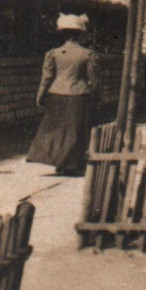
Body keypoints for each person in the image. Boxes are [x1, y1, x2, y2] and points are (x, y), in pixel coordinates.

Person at [28, 14, 98, 176]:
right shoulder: (87, 54)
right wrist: (97, 95)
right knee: (75, 129)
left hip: (56, 94)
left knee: (57, 129)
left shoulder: (54, 54)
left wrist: (40, 96)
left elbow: (46, 78)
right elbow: (94, 80)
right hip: (79, 94)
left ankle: (60, 162)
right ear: (80, 34)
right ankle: (71, 164)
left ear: (62, 33)